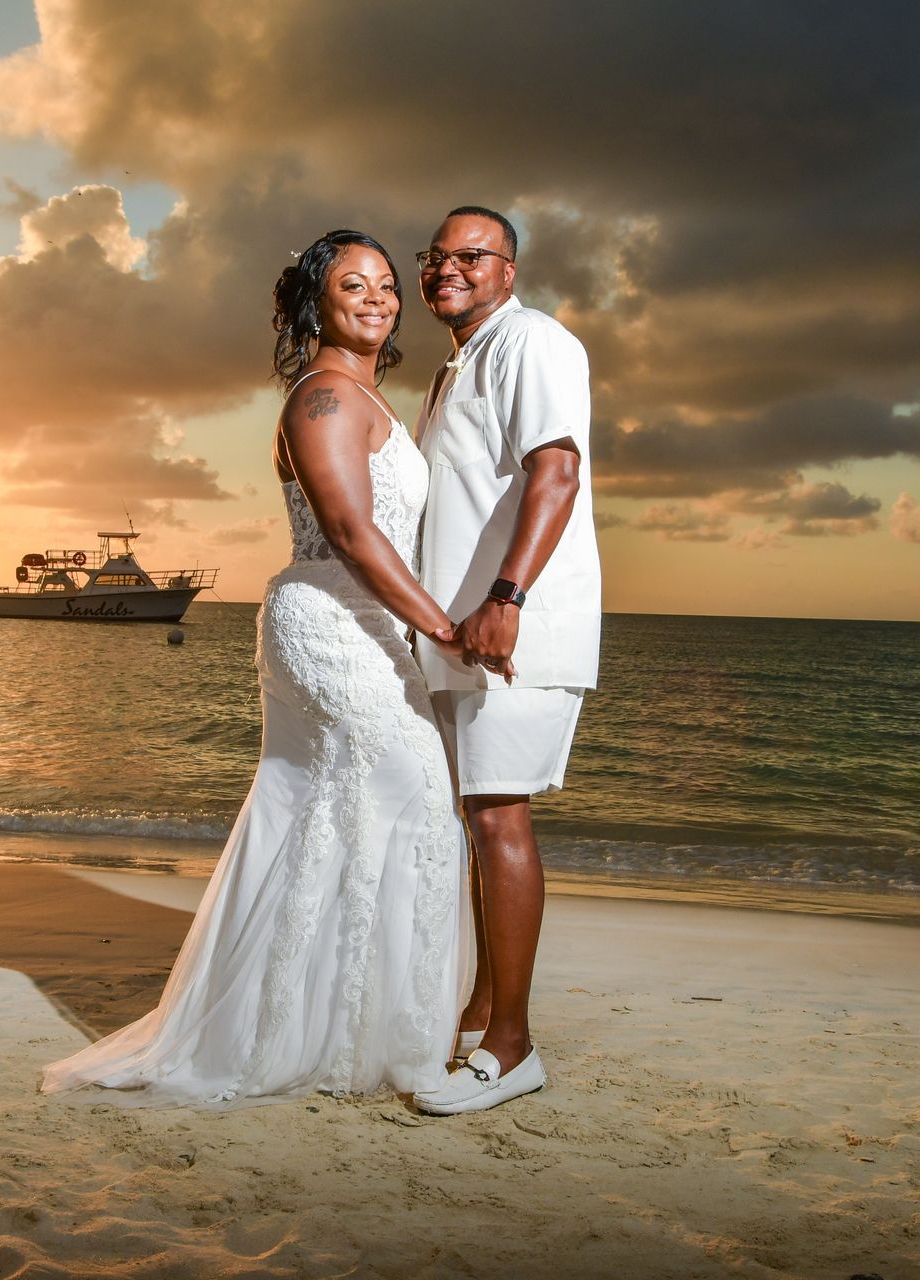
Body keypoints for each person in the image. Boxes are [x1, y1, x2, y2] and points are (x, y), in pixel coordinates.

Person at [39, 230, 472, 1106]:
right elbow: (351, 533)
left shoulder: (368, 397)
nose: (379, 297)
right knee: (414, 793)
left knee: (335, 814)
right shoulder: (321, 400)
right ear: (317, 301)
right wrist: (449, 631)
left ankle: (334, 1027)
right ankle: (305, 1034)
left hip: (365, 622)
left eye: (387, 284)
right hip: (328, 622)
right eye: (354, 283)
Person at [410, 206, 601, 1116]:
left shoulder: (533, 341)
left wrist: (507, 597)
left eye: (470, 256)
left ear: (509, 270)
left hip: (511, 630)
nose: (449, 269)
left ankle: (513, 1047)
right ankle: (483, 1009)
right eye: (436, 258)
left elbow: (555, 471)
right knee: (477, 821)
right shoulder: (459, 363)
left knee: (498, 820)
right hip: (460, 630)